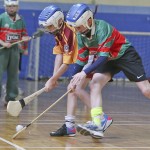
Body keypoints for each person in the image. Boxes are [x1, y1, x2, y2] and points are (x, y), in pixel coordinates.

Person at [66, 3, 150, 139]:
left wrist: (84, 72)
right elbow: (81, 59)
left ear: (88, 21)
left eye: (78, 26)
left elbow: (103, 56)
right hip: (109, 60)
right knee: (95, 84)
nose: (76, 30)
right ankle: (99, 123)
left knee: (146, 91)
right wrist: (73, 78)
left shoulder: (102, 27)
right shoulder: (81, 35)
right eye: (74, 27)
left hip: (125, 55)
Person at [38, 5, 113, 137]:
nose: (47, 29)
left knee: (74, 88)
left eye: (49, 25)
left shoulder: (68, 33)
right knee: (72, 89)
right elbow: (60, 54)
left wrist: (53, 79)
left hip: (90, 56)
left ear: (58, 21)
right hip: (83, 59)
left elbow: (66, 63)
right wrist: (53, 78)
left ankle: (101, 118)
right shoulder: (58, 33)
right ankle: (69, 126)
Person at [0, 0, 30, 106]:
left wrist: (25, 45)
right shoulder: (1, 18)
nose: (12, 8)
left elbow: (24, 34)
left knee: (13, 75)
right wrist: (3, 43)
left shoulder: (20, 20)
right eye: (9, 6)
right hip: (2, 51)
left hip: (15, 51)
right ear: (5, 7)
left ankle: (10, 98)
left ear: (17, 7)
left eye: (14, 6)